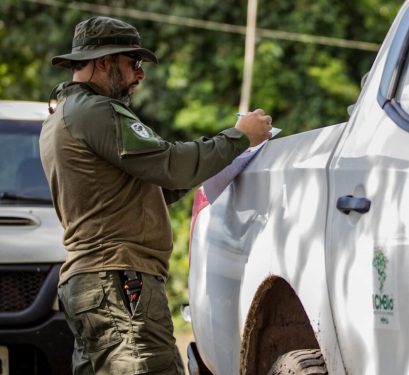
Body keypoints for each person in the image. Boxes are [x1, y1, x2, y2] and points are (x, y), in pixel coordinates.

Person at [39, 16, 272, 374]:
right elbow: (170, 163)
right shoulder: (94, 111)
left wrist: (220, 162)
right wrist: (240, 137)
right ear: (104, 62)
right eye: (133, 63)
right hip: (117, 281)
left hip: (95, 283)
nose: (140, 74)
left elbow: (151, 186)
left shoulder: (65, 115)